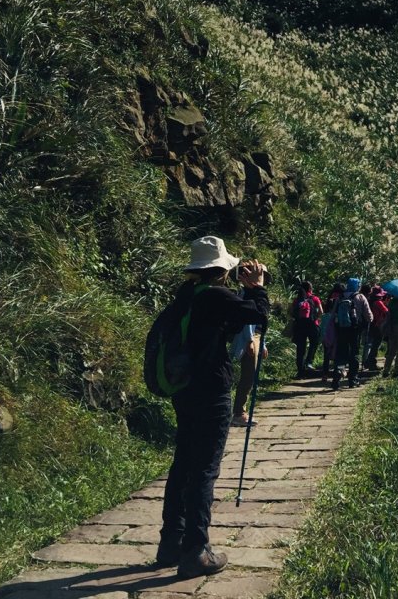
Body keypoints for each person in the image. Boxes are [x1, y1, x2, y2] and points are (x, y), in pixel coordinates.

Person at [156, 236, 270, 579]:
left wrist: (242, 291)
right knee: (204, 469)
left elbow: (229, 324)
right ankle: (196, 551)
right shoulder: (218, 295)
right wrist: (257, 287)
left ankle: (171, 543)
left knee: (183, 464)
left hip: (185, 388)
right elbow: (257, 317)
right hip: (211, 391)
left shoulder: (187, 295)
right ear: (222, 269)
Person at [290, 282, 320, 378]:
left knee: (300, 348)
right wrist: (315, 318)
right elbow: (321, 311)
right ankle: (309, 361)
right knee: (314, 343)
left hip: (300, 326)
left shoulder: (297, 300)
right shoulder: (314, 299)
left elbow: (290, 312)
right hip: (312, 325)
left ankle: (300, 371)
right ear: (310, 288)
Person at [364, 285, 389, 371]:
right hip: (377, 326)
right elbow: (387, 312)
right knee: (376, 345)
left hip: (370, 325)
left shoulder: (369, 301)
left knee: (370, 344)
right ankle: (371, 363)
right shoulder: (378, 302)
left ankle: (368, 361)